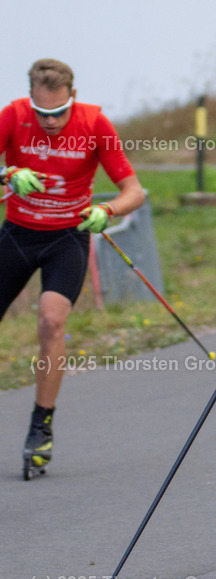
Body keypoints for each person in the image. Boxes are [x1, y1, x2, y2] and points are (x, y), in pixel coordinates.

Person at [0, 59, 145, 476]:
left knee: (50, 322)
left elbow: (133, 190)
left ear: (73, 98)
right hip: (18, 233)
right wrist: (8, 174)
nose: (50, 122)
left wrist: (107, 209)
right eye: (42, 113)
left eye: (59, 112)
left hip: (67, 238)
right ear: (31, 102)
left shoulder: (94, 123)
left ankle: (40, 425)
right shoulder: (13, 115)